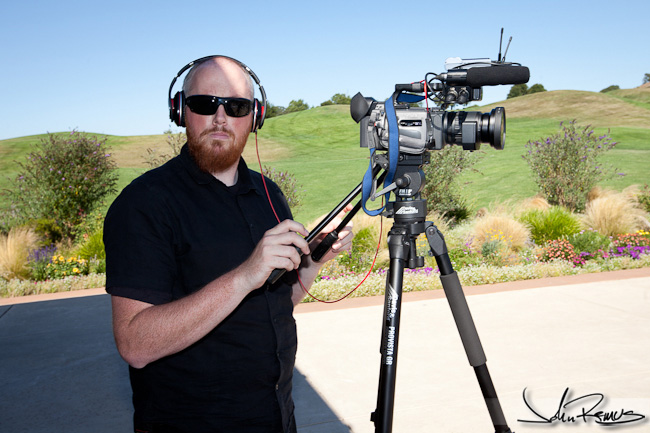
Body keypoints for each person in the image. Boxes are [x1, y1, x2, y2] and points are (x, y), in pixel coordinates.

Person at [104, 56, 353, 433]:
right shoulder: (144, 204)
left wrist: (315, 261)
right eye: (205, 104)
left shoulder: (269, 194)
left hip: (277, 418)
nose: (221, 118)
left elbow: (276, 302)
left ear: (255, 117)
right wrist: (244, 276)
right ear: (181, 111)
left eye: (236, 107)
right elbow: (135, 345)